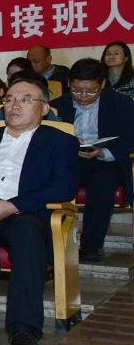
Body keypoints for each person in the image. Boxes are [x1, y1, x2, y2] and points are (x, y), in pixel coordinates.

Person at [0, 73, 79, 345]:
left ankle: (23, 330)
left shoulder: (59, 141)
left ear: (44, 108)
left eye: (26, 100)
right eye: (10, 99)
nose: (15, 105)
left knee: (28, 233)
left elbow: (64, 187)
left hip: (22, 213)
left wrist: (12, 206)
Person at [53, 58, 134, 262]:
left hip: (105, 161)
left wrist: (103, 152)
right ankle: (49, 245)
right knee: (46, 179)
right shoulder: (57, 106)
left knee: (103, 182)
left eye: (90, 91)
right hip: (68, 161)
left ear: (102, 84)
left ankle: (91, 245)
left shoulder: (121, 103)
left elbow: (130, 139)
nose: (83, 96)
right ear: (69, 83)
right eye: (77, 90)